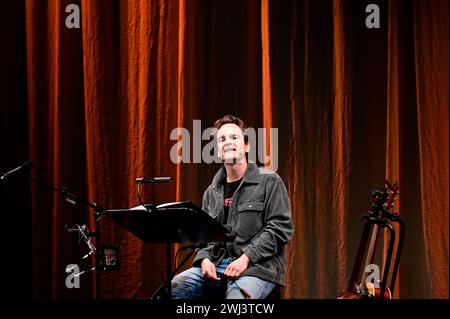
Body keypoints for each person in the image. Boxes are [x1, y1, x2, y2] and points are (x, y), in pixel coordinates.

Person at [171, 115, 293, 299]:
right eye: (222, 139)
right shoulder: (211, 192)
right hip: (218, 264)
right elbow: (204, 239)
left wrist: (246, 258)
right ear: (218, 151)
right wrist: (203, 260)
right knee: (171, 290)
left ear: (246, 146)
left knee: (236, 299)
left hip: (257, 268)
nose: (228, 142)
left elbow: (280, 228)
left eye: (234, 137)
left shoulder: (270, 181)